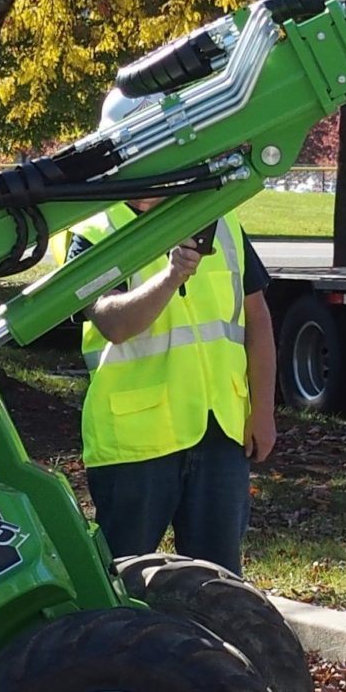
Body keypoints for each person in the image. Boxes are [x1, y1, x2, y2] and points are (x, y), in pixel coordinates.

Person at [66, 200, 278, 571]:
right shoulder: (97, 231)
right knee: (122, 578)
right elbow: (113, 324)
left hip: (220, 431)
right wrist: (170, 277)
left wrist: (263, 410)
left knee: (221, 584)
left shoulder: (219, 217)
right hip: (136, 441)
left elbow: (256, 318)